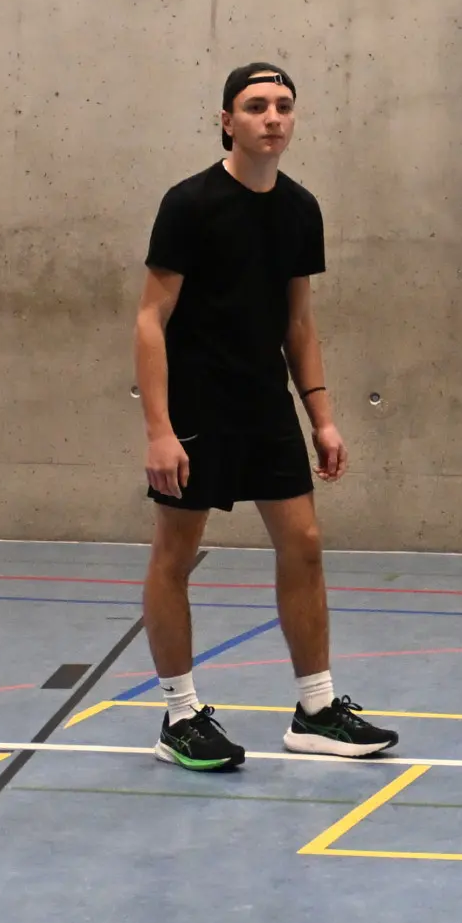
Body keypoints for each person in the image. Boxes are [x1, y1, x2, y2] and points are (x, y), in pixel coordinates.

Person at [134, 62, 396, 770]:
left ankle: (316, 710)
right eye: (255, 106)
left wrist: (323, 418)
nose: (272, 117)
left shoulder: (300, 208)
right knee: (175, 556)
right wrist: (159, 429)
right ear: (228, 121)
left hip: (265, 405)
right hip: (196, 407)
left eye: (283, 105)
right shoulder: (189, 204)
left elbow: (299, 323)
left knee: (303, 543)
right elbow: (150, 320)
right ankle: (179, 716)